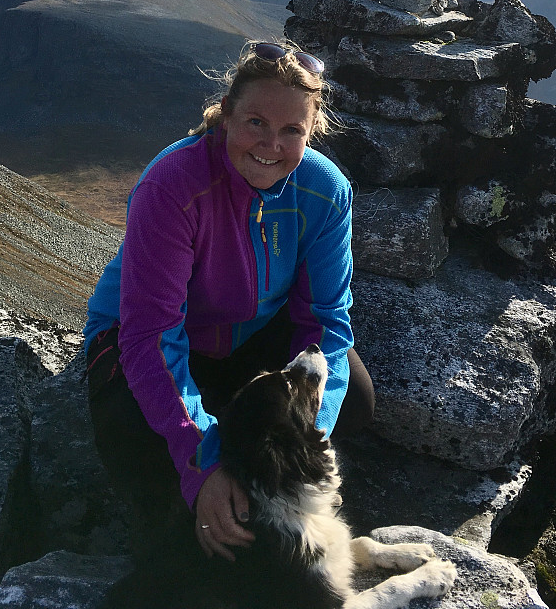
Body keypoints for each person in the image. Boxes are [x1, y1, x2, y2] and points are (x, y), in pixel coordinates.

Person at [83, 39, 374, 571]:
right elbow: (151, 333)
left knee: (353, 397)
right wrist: (204, 462)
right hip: (147, 340)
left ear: (311, 134)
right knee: (135, 433)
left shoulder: (324, 190)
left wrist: (307, 429)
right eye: (255, 122)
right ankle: (172, 543)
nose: (270, 145)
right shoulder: (173, 183)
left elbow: (326, 323)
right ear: (225, 116)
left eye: (292, 131)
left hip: (248, 335)